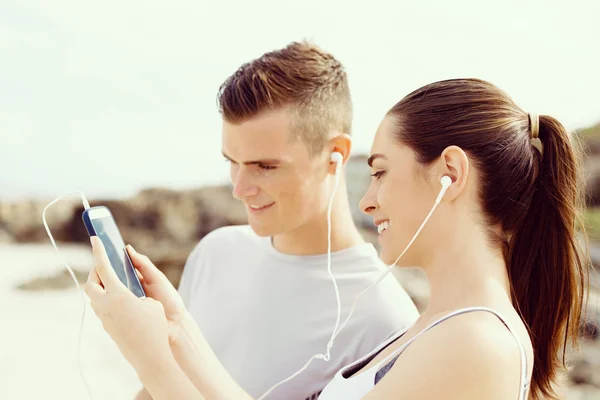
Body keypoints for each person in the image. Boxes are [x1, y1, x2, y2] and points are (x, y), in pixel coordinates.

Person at [86, 78, 589, 400]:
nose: (367, 201)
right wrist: (177, 331)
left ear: (450, 175)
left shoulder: (475, 344)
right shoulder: (444, 327)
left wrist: (148, 356)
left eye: (381, 172)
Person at [132, 41, 418, 400]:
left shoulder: (384, 320)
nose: (239, 189)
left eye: (265, 167)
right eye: (231, 161)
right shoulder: (215, 252)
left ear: (336, 154)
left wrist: (144, 356)